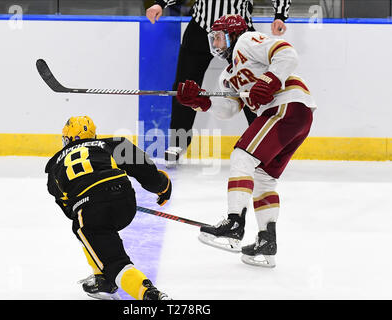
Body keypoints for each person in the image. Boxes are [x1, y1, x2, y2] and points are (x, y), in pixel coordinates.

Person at [175, 14, 316, 267]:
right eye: (213, 38)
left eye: (219, 37)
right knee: (264, 178)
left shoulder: (247, 41)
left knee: (242, 156)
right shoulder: (228, 75)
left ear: (232, 35)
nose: (215, 43)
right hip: (296, 115)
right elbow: (227, 110)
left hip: (287, 104)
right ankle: (266, 242)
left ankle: (234, 223)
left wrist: (270, 79)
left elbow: (287, 53)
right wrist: (201, 102)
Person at [146, 0, 292, 166]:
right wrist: (160, 4)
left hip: (238, 32)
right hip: (202, 27)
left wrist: (280, 15)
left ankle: (265, 141)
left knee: (253, 84)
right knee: (184, 85)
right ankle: (178, 142)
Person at [45, 116, 172, 300]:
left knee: (107, 254)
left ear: (67, 139)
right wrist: (162, 186)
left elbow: (67, 206)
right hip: (125, 200)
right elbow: (142, 167)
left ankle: (149, 295)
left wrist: (88, 204)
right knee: (86, 228)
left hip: (91, 210)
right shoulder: (107, 144)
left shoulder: (54, 165)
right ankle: (100, 278)